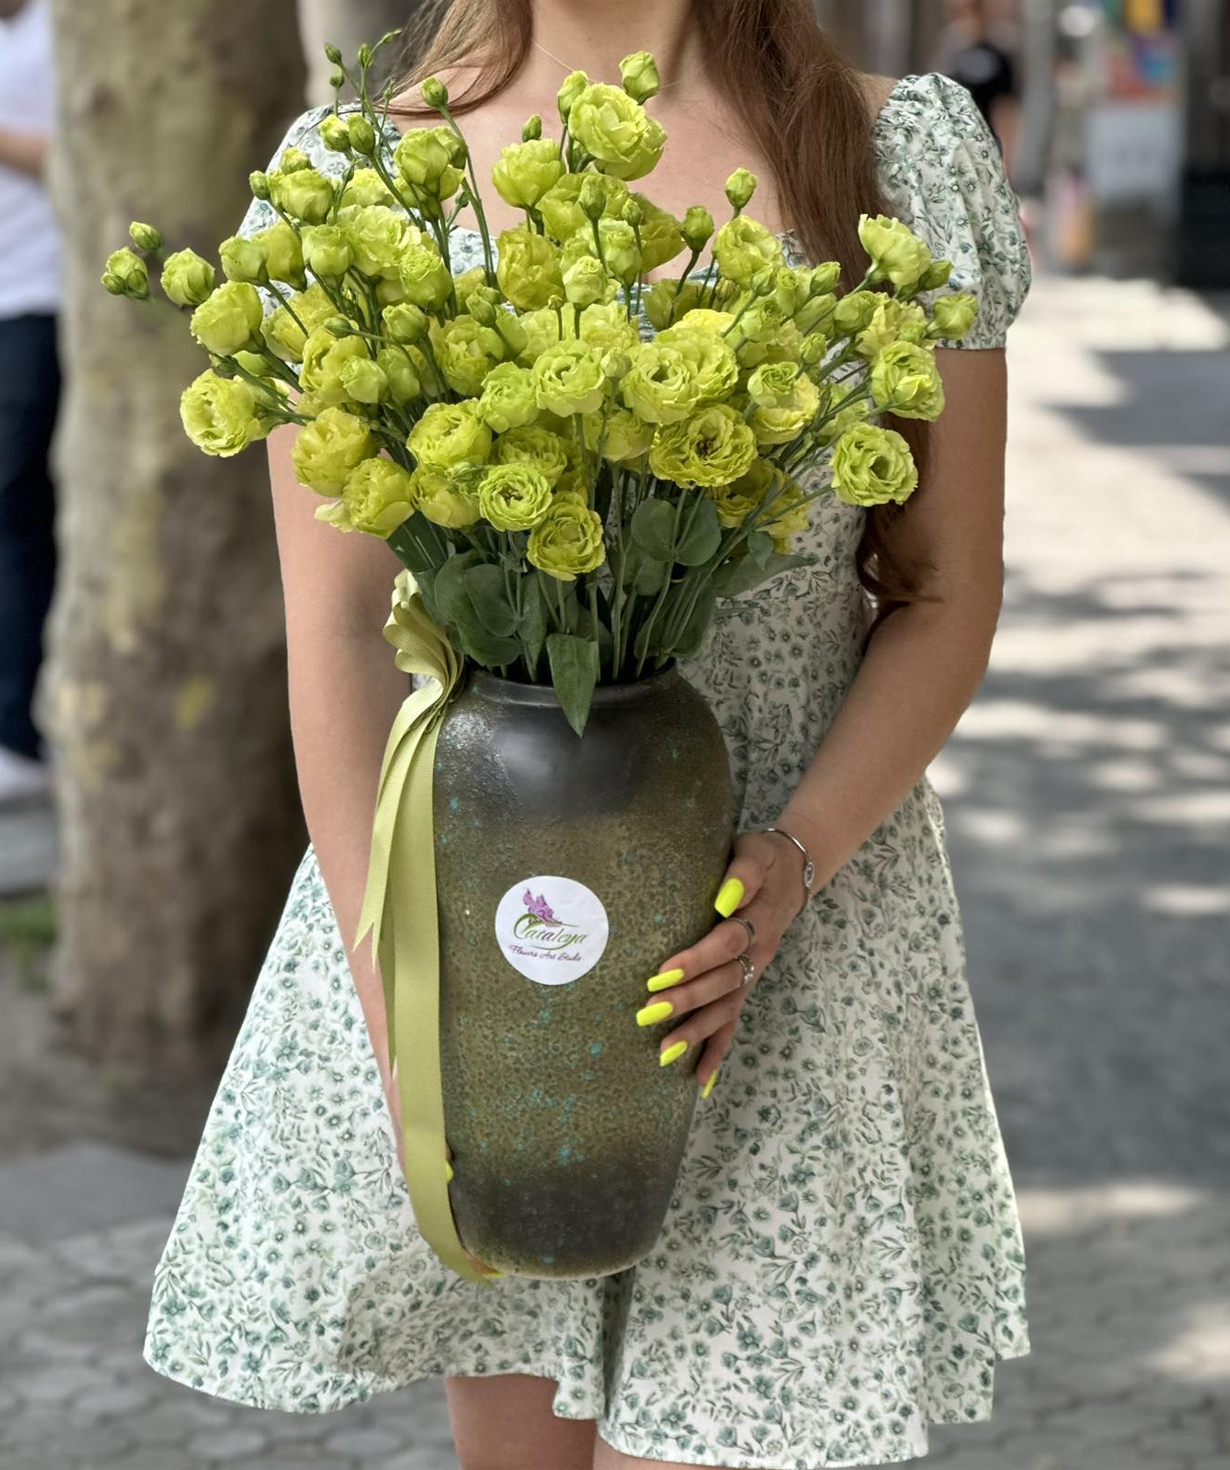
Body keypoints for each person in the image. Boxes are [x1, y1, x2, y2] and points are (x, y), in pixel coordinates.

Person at [143, 2, 1033, 1466]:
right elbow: (336, 632)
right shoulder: (357, 175)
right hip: (478, 934)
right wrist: (414, 1021)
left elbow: (939, 589)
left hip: (779, 955)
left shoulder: (898, 154)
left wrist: (791, 867)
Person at [0, 0, 61, 806]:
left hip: (43, 298)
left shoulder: (65, 28)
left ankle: (18, 732)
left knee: (15, 503)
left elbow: (87, 156)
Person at [934, 0, 1021, 175]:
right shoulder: (950, 56)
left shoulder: (997, 54)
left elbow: (1005, 109)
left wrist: (1006, 159)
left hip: (985, 147)